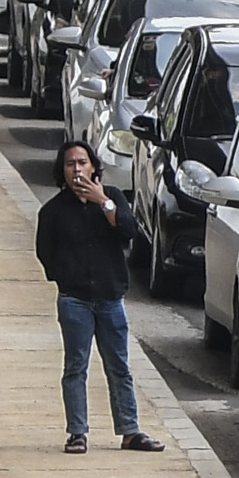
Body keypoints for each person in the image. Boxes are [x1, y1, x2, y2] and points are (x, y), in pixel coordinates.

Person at [34, 139, 159, 456]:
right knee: (76, 367)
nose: (77, 169)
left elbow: (129, 231)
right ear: (62, 171)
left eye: (82, 162)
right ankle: (77, 432)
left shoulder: (112, 199)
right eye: (70, 164)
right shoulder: (53, 212)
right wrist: (65, 278)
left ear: (93, 167)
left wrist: (103, 201)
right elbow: (45, 252)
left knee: (119, 366)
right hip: (74, 299)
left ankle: (130, 431)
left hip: (110, 297)